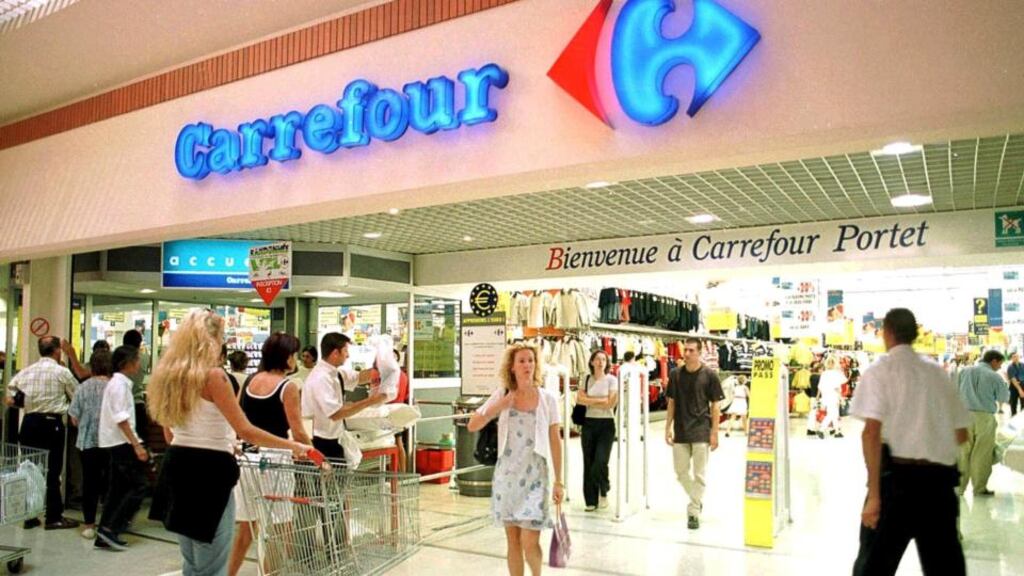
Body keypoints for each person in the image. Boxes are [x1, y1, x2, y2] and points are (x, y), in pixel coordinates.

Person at [147, 310, 314, 576]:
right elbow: (245, 430)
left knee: (191, 560)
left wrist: (220, 441)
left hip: (176, 466)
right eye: (222, 336)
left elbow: (170, 433)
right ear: (210, 339)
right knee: (212, 563)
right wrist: (294, 446)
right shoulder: (215, 377)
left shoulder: (170, 375)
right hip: (210, 473)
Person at [850, 308, 970, 576]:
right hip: (939, 488)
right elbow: (961, 434)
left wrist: (874, 495)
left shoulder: (880, 371)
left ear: (887, 333)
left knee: (874, 566)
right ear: (915, 334)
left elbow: (870, 433)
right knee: (945, 567)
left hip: (897, 485)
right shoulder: (938, 374)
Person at [468, 343, 564, 576]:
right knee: (513, 541)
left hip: (536, 476)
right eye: (521, 361)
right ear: (512, 367)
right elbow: (473, 425)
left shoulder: (548, 399)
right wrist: (499, 407)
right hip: (507, 476)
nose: (527, 365)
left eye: (530, 360)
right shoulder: (502, 395)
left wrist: (559, 480)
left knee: (530, 541)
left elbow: (555, 440)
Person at [228, 333, 311, 576]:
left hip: (248, 459)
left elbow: (238, 420)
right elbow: (297, 430)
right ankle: (269, 574)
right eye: (294, 355)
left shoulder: (250, 381)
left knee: (247, 527)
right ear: (286, 358)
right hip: (276, 461)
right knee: (281, 526)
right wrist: (315, 452)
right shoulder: (288, 387)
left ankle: (229, 574)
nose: (295, 359)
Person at [5, 335, 80, 530]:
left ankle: (30, 515)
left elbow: (9, 398)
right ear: (57, 351)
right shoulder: (61, 372)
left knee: (30, 468)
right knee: (53, 471)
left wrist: (26, 403)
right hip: (51, 423)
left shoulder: (26, 372)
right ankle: (54, 517)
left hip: (29, 423)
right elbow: (77, 396)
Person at [665, 337, 724, 530]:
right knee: (680, 472)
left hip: (701, 430)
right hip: (681, 430)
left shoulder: (710, 375)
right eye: (686, 350)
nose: (687, 353)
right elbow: (671, 402)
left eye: (691, 350)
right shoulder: (675, 374)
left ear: (699, 352)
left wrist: (715, 432)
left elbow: (716, 406)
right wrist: (667, 428)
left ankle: (693, 511)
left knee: (699, 475)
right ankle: (697, 499)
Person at [94, 345, 149, 551]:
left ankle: (104, 531)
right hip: (121, 443)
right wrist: (137, 445)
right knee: (139, 486)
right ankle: (113, 527)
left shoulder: (120, 384)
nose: (139, 364)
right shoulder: (119, 385)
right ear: (127, 363)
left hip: (117, 442)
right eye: (137, 360)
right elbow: (121, 419)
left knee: (117, 490)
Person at [301, 332, 385, 460]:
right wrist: (370, 401)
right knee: (326, 478)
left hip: (333, 438)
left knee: (338, 476)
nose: (348, 355)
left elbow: (359, 377)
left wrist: (380, 367)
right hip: (319, 441)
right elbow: (336, 413)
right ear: (335, 353)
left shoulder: (336, 373)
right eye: (346, 351)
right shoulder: (320, 378)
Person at [68, 348, 113, 540]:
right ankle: (108, 525)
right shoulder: (115, 387)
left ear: (92, 366)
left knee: (90, 483)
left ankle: (88, 524)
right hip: (110, 441)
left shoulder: (82, 387)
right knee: (110, 483)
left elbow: (74, 417)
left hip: (87, 442)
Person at [956, 349, 1009, 497]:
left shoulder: (964, 371)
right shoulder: (995, 376)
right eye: (999, 364)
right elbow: (1003, 397)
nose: (999, 367)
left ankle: (959, 488)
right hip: (984, 417)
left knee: (962, 453)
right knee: (982, 453)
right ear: (993, 361)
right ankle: (979, 489)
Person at [575, 350, 617, 511]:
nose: (601, 362)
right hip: (588, 424)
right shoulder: (586, 379)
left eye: (604, 359)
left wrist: (590, 400)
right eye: (598, 359)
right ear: (592, 362)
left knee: (600, 461)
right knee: (588, 461)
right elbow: (579, 399)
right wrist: (601, 400)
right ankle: (591, 500)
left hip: (606, 424)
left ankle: (604, 490)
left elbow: (610, 404)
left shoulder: (612, 380)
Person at [123, 330, 151, 444]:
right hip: (138, 404)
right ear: (139, 344)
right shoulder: (144, 358)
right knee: (141, 442)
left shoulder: (119, 359)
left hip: (123, 405)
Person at [817, 356, 848, 439]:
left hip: (826, 396)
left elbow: (820, 386)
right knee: (832, 413)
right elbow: (840, 384)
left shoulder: (824, 373)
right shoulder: (836, 373)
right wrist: (841, 397)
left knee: (834, 413)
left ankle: (837, 431)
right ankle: (821, 429)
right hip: (833, 395)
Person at [1007, 352, 1023, 416]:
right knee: (1013, 403)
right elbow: (1013, 380)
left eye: (1017, 356)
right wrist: (1020, 390)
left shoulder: (1022, 365)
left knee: (1023, 403)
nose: (1016, 358)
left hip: (1022, 385)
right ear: (1011, 358)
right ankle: (1014, 416)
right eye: (1014, 357)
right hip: (1014, 387)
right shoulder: (1010, 367)